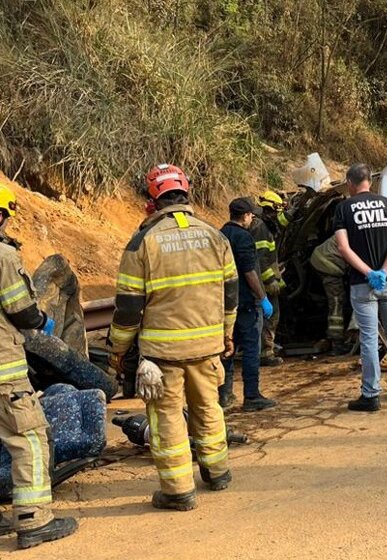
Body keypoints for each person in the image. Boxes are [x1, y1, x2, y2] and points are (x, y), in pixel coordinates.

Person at [108, 164, 238, 511]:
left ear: (152, 202)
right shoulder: (215, 236)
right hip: (207, 347)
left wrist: (118, 348)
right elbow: (230, 292)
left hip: (162, 354)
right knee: (208, 408)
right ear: (187, 194)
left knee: (166, 419)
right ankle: (218, 472)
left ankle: (178, 491)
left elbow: (129, 307)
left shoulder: (142, 243)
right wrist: (227, 333)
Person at [0, 186, 78, 549]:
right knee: (27, 438)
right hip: (3, 370)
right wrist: (42, 319)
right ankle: (33, 521)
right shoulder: (2, 256)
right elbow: (21, 310)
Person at [333, 163, 387, 412]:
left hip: (362, 284)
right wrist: (385, 271)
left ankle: (371, 394)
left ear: (351, 184)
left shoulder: (344, 208)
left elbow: (343, 248)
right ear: (370, 182)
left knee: (368, 338)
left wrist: (369, 273)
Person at [219, 198, 277, 412]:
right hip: (246, 303)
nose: (253, 217)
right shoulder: (244, 237)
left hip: (225, 303)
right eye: (251, 214)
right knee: (252, 349)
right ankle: (252, 396)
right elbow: (249, 271)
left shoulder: (219, 235)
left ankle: (224, 395)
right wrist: (262, 297)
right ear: (244, 216)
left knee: (227, 348)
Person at [249, 191, 285, 367]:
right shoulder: (260, 228)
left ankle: (264, 349)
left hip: (259, 281)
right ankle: (266, 353)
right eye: (275, 211)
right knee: (270, 316)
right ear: (268, 209)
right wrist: (270, 281)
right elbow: (261, 259)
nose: (276, 216)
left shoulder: (260, 224)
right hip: (262, 283)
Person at [309, 232, 350, 355]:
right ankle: (337, 343)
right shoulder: (360, 233)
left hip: (320, 258)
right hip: (329, 264)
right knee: (337, 302)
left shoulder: (354, 225)